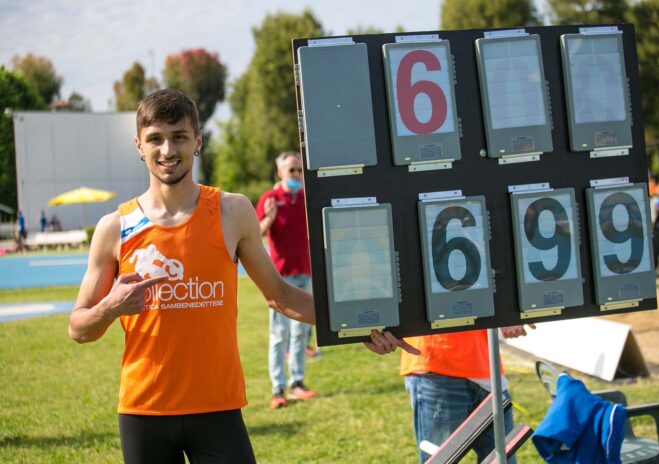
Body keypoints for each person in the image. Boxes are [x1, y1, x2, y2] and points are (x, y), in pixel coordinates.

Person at [67, 89, 413, 464]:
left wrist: (359, 326)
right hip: (144, 411)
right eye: (155, 139)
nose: (168, 150)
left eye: (179, 136)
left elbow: (281, 296)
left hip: (217, 408)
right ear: (139, 145)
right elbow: (79, 328)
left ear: (198, 141)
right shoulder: (115, 227)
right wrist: (111, 307)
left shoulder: (231, 211)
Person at [401, 326, 533, 463]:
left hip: (487, 367)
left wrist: (507, 317)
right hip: (436, 364)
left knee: (503, 460)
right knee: (441, 460)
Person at [256, 151, 316, 409]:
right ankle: (278, 389)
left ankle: (297, 384)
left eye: (300, 170)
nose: (297, 175)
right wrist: (269, 218)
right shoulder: (270, 199)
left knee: (300, 333)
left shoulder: (307, 197)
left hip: (306, 273)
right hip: (280, 278)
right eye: (292, 170)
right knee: (279, 335)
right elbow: (255, 234)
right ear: (280, 172)